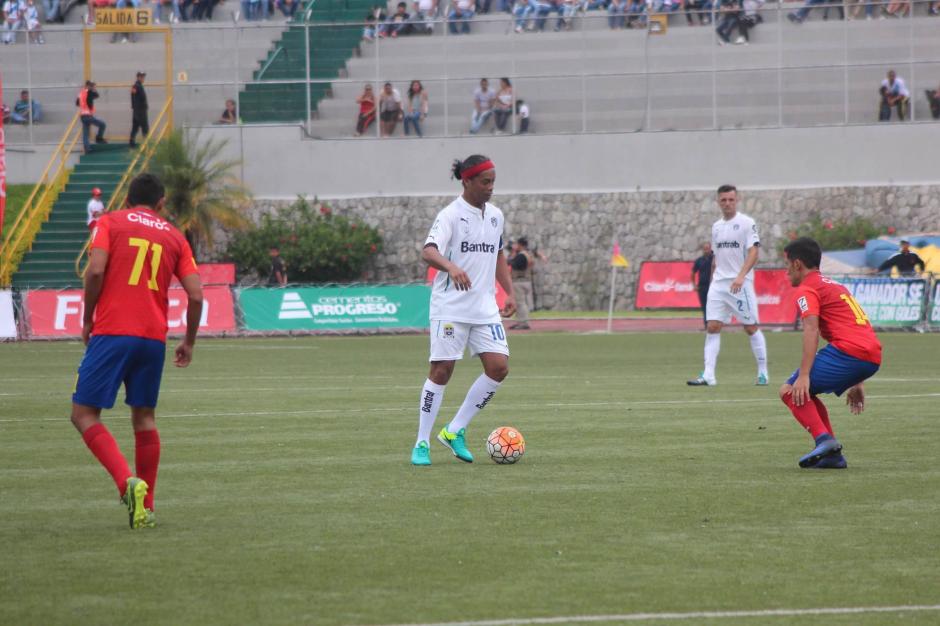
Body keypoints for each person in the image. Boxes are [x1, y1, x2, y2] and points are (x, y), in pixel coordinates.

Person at [71, 173, 203, 529]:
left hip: (114, 330)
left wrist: (87, 318)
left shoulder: (110, 221)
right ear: (161, 203)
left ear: (128, 198)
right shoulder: (175, 236)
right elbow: (195, 295)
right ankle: (147, 508)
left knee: (83, 414)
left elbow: (95, 270)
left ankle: (126, 482)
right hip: (152, 338)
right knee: (144, 418)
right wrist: (188, 341)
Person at [411, 154, 517, 466]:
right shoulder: (451, 216)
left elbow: (497, 256)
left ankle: (455, 430)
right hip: (451, 307)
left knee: (499, 368)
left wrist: (509, 292)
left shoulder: (496, 215)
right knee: (441, 371)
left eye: (493, 182)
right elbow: (428, 251)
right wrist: (451, 266)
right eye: (485, 182)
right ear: (467, 181)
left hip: (484, 309)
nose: (491, 187)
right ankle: (421, 443)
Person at [779, 237, 881, 469]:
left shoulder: (808, 288)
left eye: (786, 265)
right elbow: (861, 327)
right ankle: (832, 454)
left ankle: (825, 441)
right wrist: (858, 381)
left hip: (849, 352)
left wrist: (804, 375)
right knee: (805, 394)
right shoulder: (835, 285)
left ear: (797, 264)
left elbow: (811, 329)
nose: (786, 272)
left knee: (789, 390)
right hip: (871, 355)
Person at [688, 184, 769, 387]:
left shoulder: (746, 223)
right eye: (723, 200)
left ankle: (763, 373)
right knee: (712, 326)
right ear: (718, 202)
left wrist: (741, 276)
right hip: (719, 285)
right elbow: (716, 255)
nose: (727, 203)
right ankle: (708, 375)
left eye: (731, 200)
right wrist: (716, 275)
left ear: (737, 200)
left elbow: (754, 252)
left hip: (740, 284)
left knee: (750, 328)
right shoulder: (716, 227)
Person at [507, 236, 535, 330]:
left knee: (520, 303)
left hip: (519, 281)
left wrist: (511, 258)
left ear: (520, 245)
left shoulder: (521, 255)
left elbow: (516, 265)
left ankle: (523, 322)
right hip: (526, 280)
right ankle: (520, 321)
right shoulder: (528, 254)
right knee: (523, 303)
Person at [77, 80, 107, 154]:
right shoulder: (88, 91)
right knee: (102, 124)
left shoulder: (81, 93)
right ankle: (99, 138)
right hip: (88, 115)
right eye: (90, 85)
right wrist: (94, 89)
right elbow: (97, 95)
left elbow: (77, 103)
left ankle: (87, 149)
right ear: (87, 86)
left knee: (85, 133)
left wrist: (84, 104)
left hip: (82, 116)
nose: (91, 87)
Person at [691, 242, 713, 328]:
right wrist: (694, 284)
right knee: (704, 306)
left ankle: (714, 324)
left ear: (711, 248)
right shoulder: (699, 261)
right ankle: (706, 325)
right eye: (704, 249)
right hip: (702, 287)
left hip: (713, 286)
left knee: (713, 306)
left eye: (707, 248)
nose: (706, 250)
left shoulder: (715, 259)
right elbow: (693, 273)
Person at [129, 71, 149, 148]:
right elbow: (134, 99)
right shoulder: (136, 86)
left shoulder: (138, 86)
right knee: (145, 128)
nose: (143, 78)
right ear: (138, 77)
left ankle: (132, 144)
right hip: (140, 112)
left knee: (135, 128)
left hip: (138, 111)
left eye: (143, 77)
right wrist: (137, 112)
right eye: (141, 77)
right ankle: (146, 145)